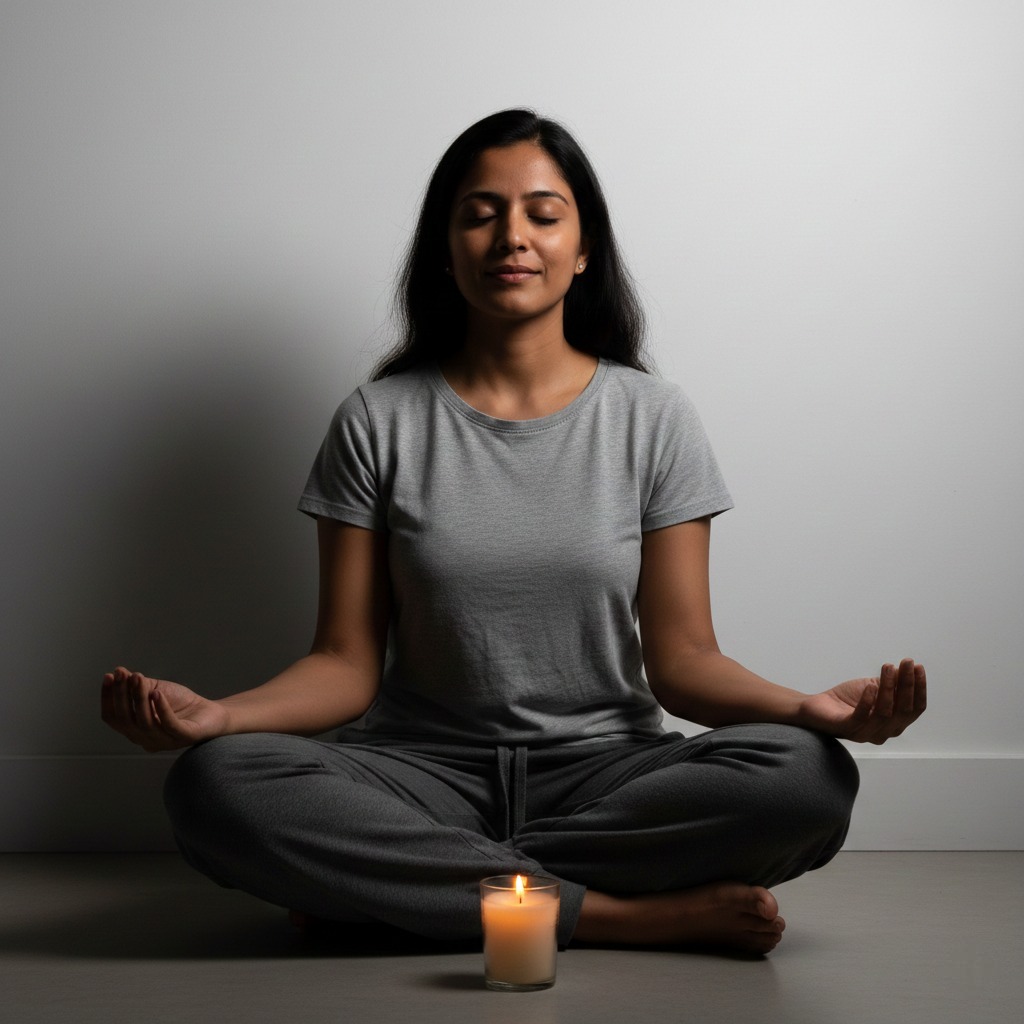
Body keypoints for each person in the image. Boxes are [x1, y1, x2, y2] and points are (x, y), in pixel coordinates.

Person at [101, 109, 926, 955]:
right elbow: (344, 665)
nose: (511, 237)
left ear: (583, 248)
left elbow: (684, 663)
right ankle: (619, 916)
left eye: (543, 212)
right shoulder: (377, 421)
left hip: (607, 776)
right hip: (421, 776)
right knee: (217, 785)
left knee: (805, 777)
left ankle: (393, 892)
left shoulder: (653, 418)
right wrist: (220, 718)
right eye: (480, 212)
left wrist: (807, 708)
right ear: (446, 246)